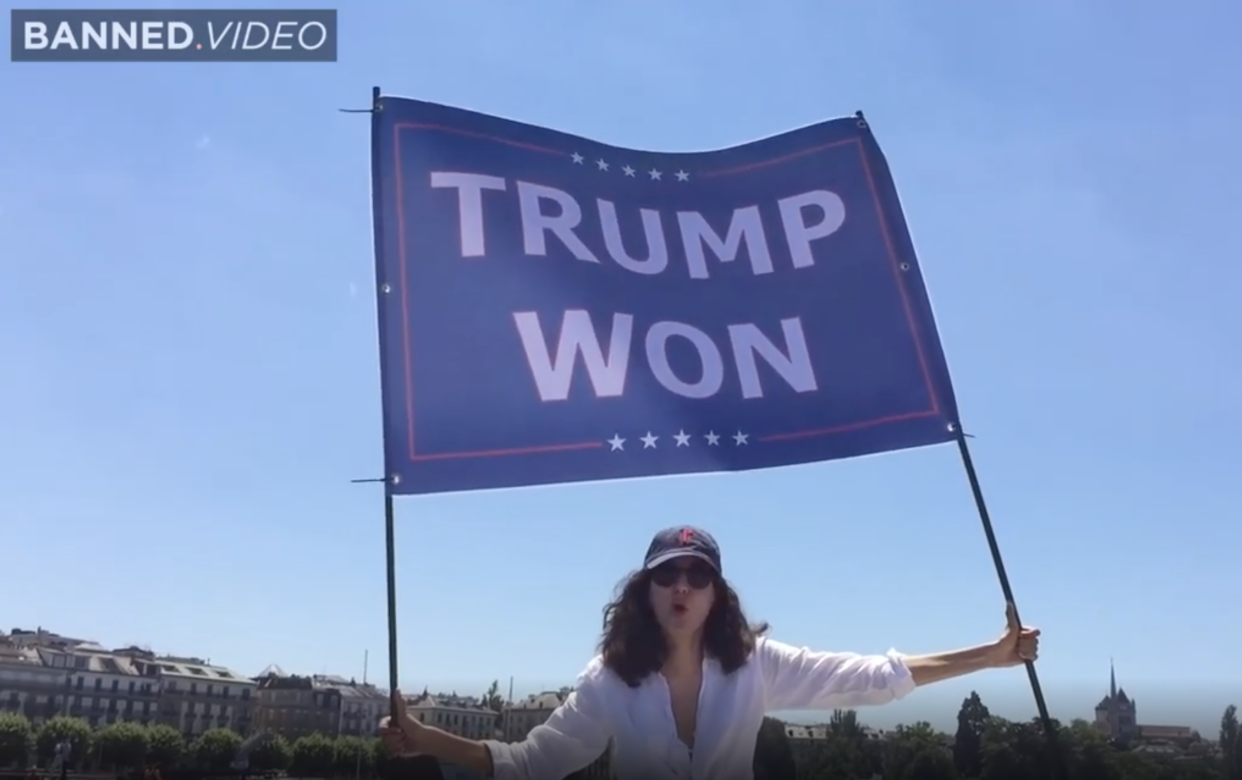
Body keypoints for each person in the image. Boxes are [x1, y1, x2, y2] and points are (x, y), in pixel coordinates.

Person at [381, 526, 1040, 780]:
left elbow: (875, 677)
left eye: (698, 576)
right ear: (646, 591)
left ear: (716, 595)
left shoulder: (758, 664)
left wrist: (990, 654)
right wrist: (428, 740)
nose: (682, 586)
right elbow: (531, 764)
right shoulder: (610, 680)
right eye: (668, 574)